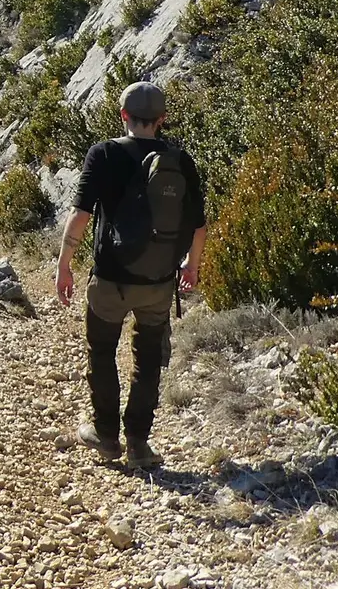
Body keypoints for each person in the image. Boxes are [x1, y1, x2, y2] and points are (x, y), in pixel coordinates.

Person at [53, 80, 206, 470]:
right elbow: (199, 227)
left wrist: (64, 264)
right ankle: (138, 443)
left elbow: (81, 215)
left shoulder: (104, 154)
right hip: (158, 284)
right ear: (162, 120)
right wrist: (192, 267)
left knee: (102, 352)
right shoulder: (180, 160)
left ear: (123, 116)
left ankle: (106, 436)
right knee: (149, 358)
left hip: (111, 280)